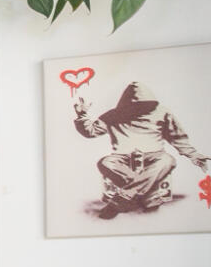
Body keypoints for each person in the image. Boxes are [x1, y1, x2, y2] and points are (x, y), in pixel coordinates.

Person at [71, 79, 208, 218]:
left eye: (143, 105)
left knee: (167, 160)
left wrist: (193, 155)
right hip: (122, 157)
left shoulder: (163, 112)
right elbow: (91, 132)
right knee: (105, 162)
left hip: (155, 156)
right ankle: (148, 196)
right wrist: (82, 115)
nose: (139, 109)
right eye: (135, 106)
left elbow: (177, 137)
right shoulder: (113, 114)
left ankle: (122, 199)